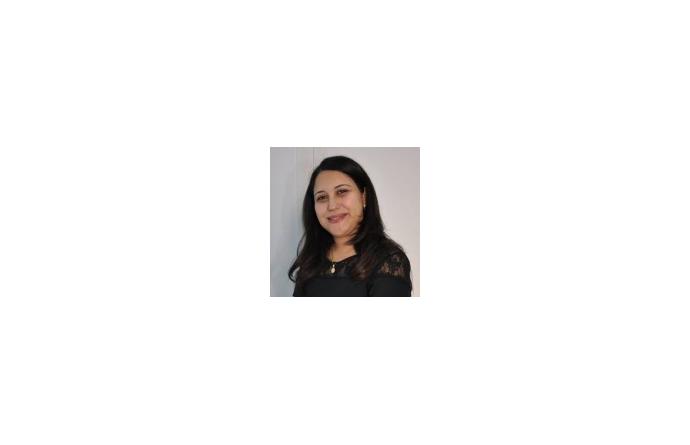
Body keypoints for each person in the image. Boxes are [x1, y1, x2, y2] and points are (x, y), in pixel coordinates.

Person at [289, 155, 412, 297]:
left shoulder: (389, 262)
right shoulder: (310, 262)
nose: (332, 206)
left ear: (363, 197)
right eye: (322, 197)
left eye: (341, 192)